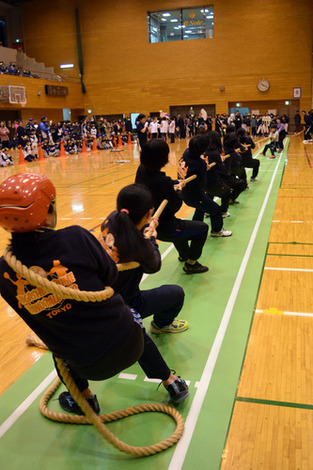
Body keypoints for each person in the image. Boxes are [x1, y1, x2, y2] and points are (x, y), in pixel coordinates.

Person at [0, 173, 189, 414]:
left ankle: (86, 399)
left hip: (83, 363)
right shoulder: (75, 237)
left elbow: (36, 319)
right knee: (127, 316)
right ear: (47, 211)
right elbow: (109, 277)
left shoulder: (5, 271)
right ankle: (170, 381)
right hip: (133, 343)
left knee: (58, 340)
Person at [99, 183, 187, 334]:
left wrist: (144, 224)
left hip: (102, 296)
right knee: (176, 294)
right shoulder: (139, 245)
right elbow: (154, 265)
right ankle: (161, 325)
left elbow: (130, 227)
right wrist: (152, 239)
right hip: (125, 302)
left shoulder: (111, 219)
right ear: (148, 213)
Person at [135, 139, 209, 274]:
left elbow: (159, 185)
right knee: (202, 229)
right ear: (163, 158)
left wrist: (174, 183)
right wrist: (179, 190)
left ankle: (184, 254)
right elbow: (175, 205)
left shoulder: (142, 170)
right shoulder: (163, 181)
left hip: (146, 223)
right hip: (162, 227)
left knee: (181, 227)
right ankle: (191, 264)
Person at [178, 135, 233, 231]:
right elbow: (203, 184)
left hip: (184, 192)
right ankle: (217, 230)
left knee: (200, 208)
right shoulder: (200, 164)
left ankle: (196, 228)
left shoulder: (186, 152)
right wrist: (204, 169)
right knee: (216, 209)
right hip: (194, 195)